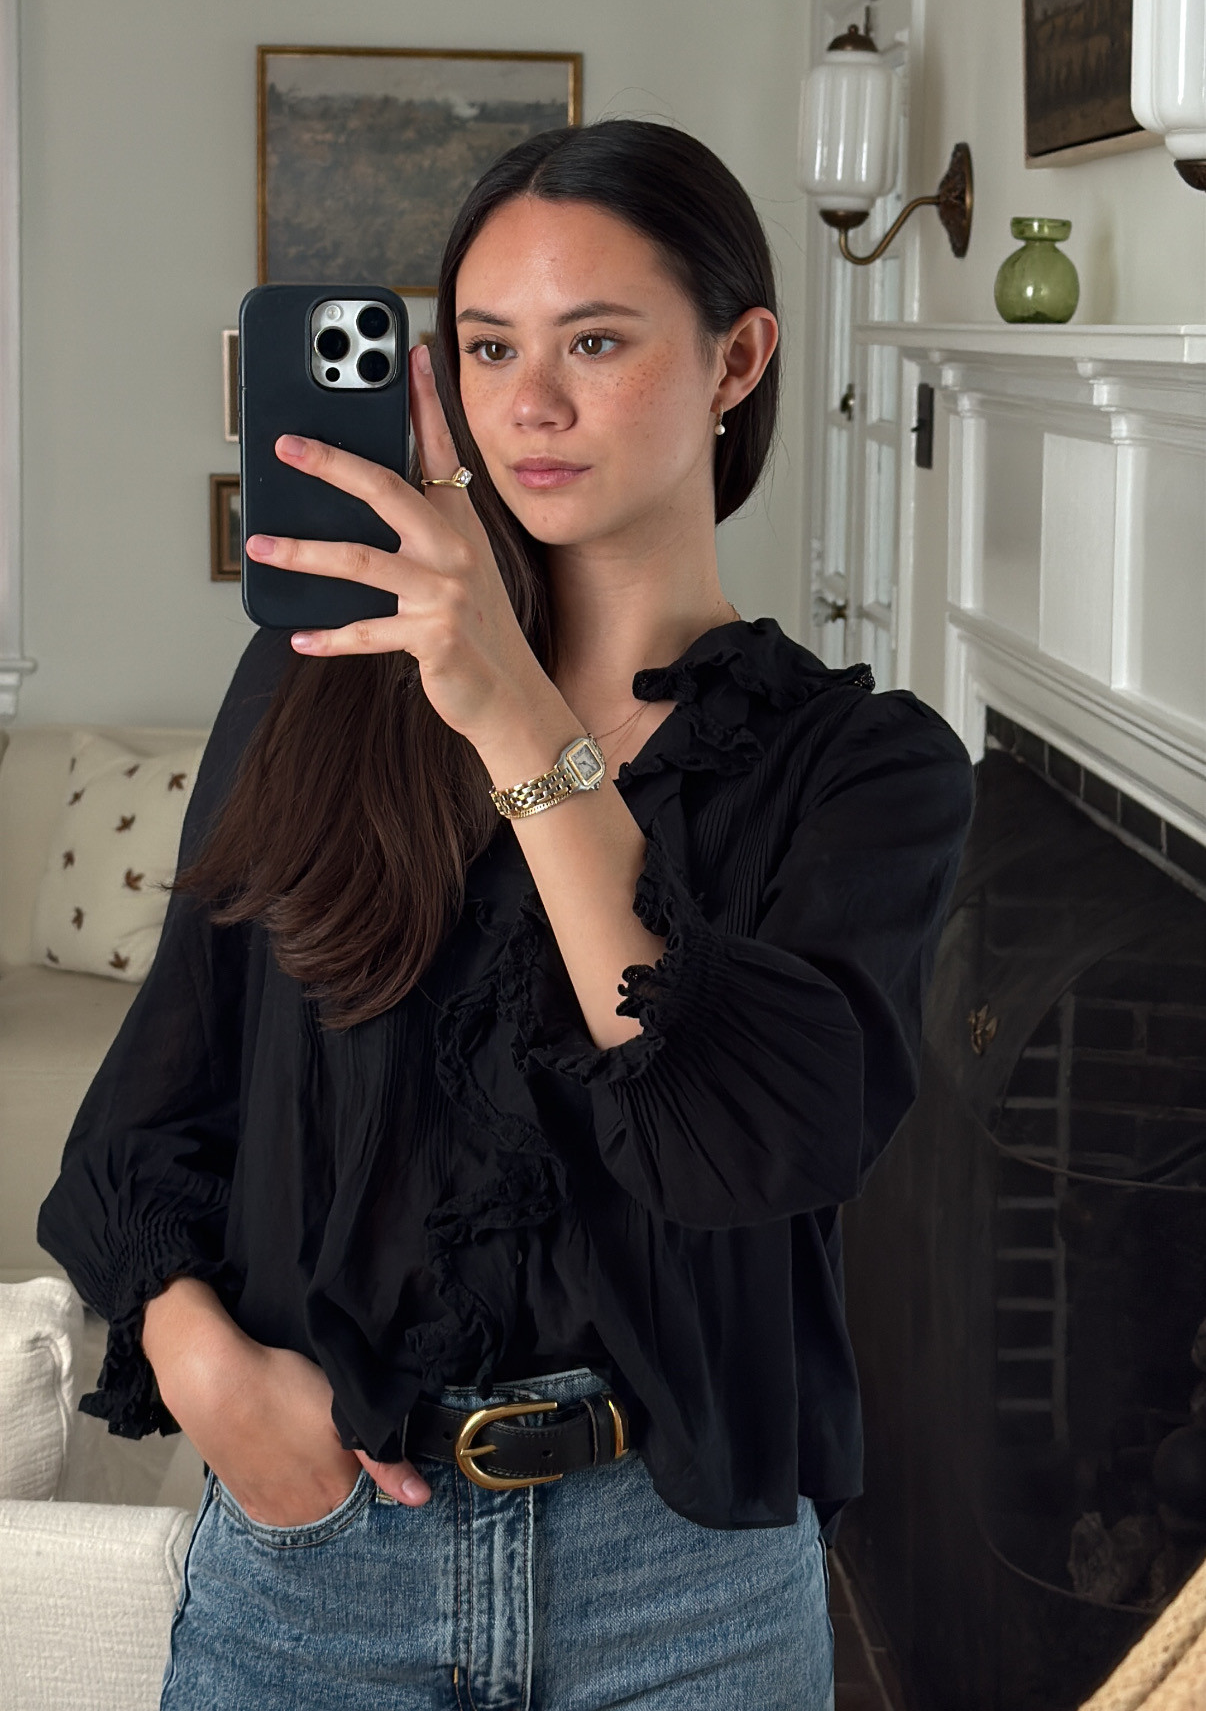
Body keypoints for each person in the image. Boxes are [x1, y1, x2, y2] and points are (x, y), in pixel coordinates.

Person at [39, 121, 974, 1711]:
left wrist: (516, 719)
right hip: (323, 1565)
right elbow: (149, 1114)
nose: (527, 404)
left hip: (686, 1590)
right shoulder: (319, 685)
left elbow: (745, 1146)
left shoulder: (862, 768)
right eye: (486, 347)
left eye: (594, 341)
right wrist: (205, 1372)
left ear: (737, 357)